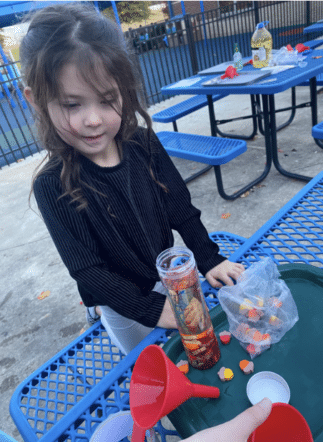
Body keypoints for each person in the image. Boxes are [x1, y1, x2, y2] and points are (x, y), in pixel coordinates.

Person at [20, 3, 244, 356]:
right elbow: (87, 269)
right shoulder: (52, 184)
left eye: (107, 100)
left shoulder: (143, 143)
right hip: (115, 299)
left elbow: (180, 208)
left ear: (124, 89)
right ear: (36, 100)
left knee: (192, 348)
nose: (93, 119)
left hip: (165, 275)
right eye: (72, 105)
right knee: (144, 359)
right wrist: (151, 310)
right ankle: (100, 316)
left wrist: (209, 258)